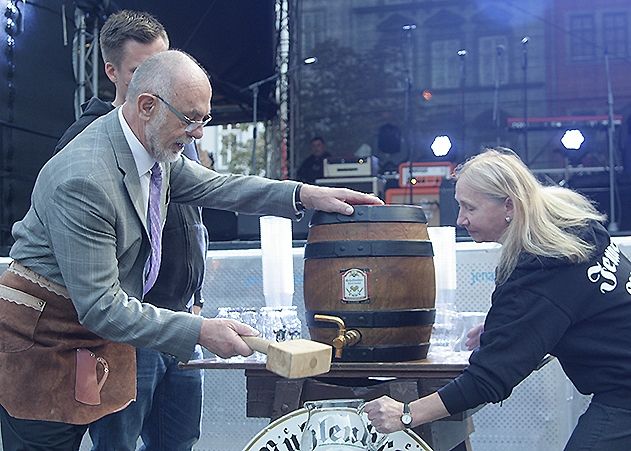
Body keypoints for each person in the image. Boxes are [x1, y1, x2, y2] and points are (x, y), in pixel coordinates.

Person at [0, 49, 383, 451]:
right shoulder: (84, 179)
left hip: (94, 337)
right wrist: (201, 331)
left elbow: (219, 186)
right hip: (43, 345)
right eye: (190, 120)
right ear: (147, 105)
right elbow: (101, 307)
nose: (199, 134)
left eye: (205, 120)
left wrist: (305, 194)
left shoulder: (151, 147)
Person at [364, 148, 631, 451]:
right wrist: (510, 332)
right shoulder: (574, 230)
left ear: (509, 205)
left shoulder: (542, 270)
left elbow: (488, 379)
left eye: (470, 208)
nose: (461, 219)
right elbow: (574, 310)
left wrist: (407, 414)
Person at [55, 10, 207, 451]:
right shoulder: (86, 144)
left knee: (178, 442)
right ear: (112, 71)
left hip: (182, 322)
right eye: (143, 71)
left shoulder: (181, 136)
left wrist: (196, 299)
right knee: (117, 443)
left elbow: (194, 219)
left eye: (165, 67)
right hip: (127, 333)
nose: (159, 83)